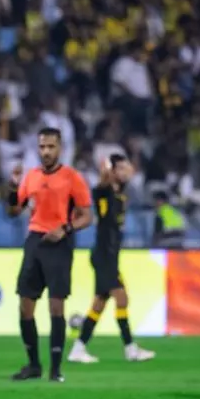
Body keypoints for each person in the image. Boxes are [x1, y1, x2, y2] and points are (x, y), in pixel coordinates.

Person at [6, 127, 93, 382]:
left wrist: (65, 229)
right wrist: (12, 187)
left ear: (60, 148)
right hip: (35, 241)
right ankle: (33, 365)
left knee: (56, 306)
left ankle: (55, 369)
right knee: (25, 306)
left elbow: (87, 216)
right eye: (42, 147)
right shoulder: (31, 176)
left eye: (51, 147)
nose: (46, 151)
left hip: (60, 243)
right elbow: (14, 211)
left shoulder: (72, 177)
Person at [68, 154, 155, 364]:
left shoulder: (121, 193)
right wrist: (106, 169)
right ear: (112, 171)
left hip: (109, 255)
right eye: (122, 168)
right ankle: (130, 349)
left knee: (99, 304)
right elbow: (102, 183)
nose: (127, 171)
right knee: (121, 298)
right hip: (104, 255)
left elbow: (126, 177)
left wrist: (124, 169)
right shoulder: (103, 191)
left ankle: (78, 349)